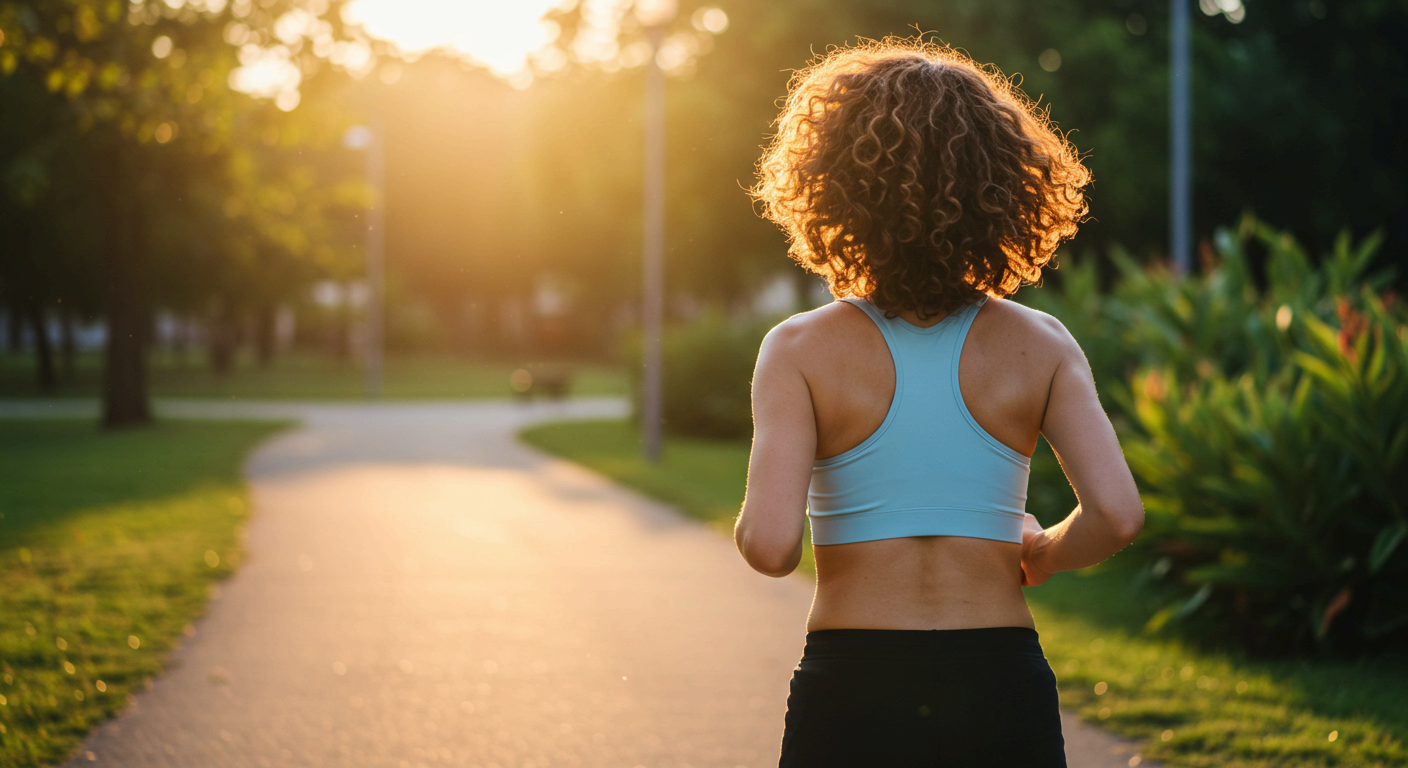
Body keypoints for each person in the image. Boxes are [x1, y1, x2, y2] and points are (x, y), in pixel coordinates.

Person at [736, 38, 1145, 767]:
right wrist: (1045, 553)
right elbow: (1117, 515)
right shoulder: (1042, 344)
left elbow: (770, 547)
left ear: (835, 189)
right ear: (1003, 188)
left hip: (853, 684)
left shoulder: (797, 349)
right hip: (998, 681)